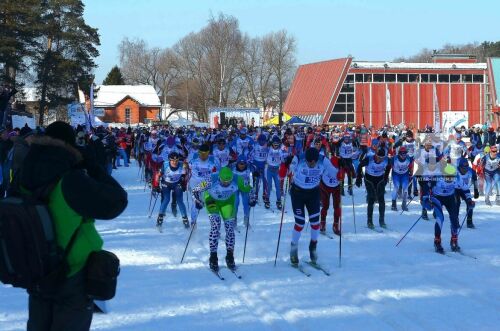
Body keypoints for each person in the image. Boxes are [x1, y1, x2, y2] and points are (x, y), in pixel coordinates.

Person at [16, 121, 127, 331]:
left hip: (36, 268)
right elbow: (117, 202)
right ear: (69, 145)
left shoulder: (25, 173)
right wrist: (92, 164)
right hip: (72, 270)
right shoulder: (69, 179)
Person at [194, 167, 244, 272]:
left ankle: (230, 256)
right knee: (216, 226)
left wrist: (252, 198)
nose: (226, 184)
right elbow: (196, 190)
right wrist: (198, 201)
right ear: (219, 178)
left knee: (230, 228)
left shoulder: (237, 178)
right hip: (212, 200)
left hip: (227, 202)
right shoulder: (211, 179)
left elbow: (249, 189)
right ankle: (213, 257)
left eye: (228, 182)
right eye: (223, 181)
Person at [288, 147, 324, 266]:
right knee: (300, 223)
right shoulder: (299, 160)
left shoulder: (322, 161)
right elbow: (287, 170)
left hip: (313, 193)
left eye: (313, 161)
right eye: (309, 161)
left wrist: (340, 168)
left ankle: (313, 247)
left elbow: (333, 171)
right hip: (298, 193)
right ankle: (293, 249)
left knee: (315, 223)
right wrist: (286, 166)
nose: (311, 163)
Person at [421, 163, 466, 253]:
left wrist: (469, 200)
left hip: (450, 198)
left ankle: (454, 240)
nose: (450, 179)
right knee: (440, 218)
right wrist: (425, 200)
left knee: (454, 218)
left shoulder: (456, 176)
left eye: (451, 177)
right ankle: (437, 241)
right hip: (437, 197)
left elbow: (465, 189)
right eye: (448, 177)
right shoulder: (436, 177)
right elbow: (424, 185)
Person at [356, 147, 391, 229]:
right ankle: (369, 221)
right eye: (379, 157)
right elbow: (360, 165)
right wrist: (359, 177)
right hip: (369, 179)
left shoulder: (386, 160)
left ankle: (381, 220)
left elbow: (389, 166)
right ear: (376, 155)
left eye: (382, 157)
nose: (380, 159)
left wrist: (386, 177)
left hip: (380, 179)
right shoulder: (369, 159)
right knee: (371, 198)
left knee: (381, 199)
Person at [157, 152, 189, 229]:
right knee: (166, 199)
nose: (175, 162)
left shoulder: (182, 165)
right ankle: (160, 218)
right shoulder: (165, 164)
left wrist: (184, 184)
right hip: (166, 183)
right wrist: (156, 185)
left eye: (177, 160)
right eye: (172, 161)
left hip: (176, 183)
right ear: (169, 160)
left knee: (180, 201)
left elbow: (186, 175)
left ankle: (185, 219)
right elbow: (158, 175)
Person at [319, 155, 344, 235]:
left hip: (336, 188)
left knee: (337, 207)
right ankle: (322, 223)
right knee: (325, 206)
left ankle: (336, 225)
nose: (334, 168)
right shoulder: (326, 166)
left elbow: (344, 174)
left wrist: (343, 175)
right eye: (333, 166)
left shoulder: (340, 166)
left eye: (336, 166)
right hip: (325, 187)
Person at [455, 157, 479, 229]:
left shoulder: (470, 171)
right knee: (457, 204)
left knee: (470, 203)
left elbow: (474, 179)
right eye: (463, 168)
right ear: (459, 167)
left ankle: (469, 221)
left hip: (465, 189)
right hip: (455, 189)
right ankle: (456, 221)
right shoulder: (455, 172)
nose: (465, 170)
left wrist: (476, 190)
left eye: (466, 168)